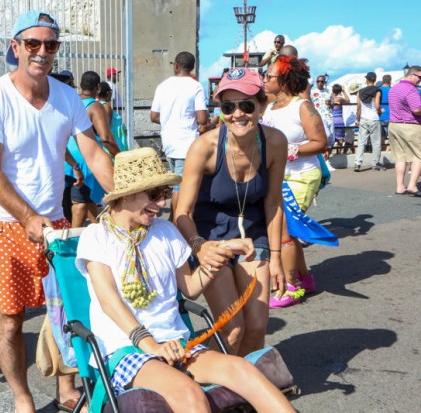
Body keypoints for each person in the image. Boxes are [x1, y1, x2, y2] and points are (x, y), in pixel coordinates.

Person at [0, 11, 114, 413]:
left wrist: (123, 197)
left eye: (51, 44)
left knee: (69, 311)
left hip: (55, 223)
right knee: (9, 319)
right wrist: (27, 217)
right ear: (15, 47)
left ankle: (66, 386)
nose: (42, 51)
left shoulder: (66, 97)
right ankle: (22, 396)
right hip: (2, 225)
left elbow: (93, 153)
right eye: (33, 43)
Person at [76, 147, 295, 413]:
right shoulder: (96, 236)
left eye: (165, 194)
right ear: (127, 195)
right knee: (189, 393)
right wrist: (150, 344)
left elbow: (190, 287)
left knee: (243, 370)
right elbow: (109, 301)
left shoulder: (165, 231)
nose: (162, 204)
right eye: (154, 194)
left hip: (178, 344)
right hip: (126, 349)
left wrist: (221, 253)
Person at [175, 67, 287, 354]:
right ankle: (206, 375)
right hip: (211, 238)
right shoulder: (205, 147)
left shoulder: (275, 142)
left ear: (261, 105)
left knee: (257, 326)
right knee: (232, 329)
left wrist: (276, 257)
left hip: (254, 236)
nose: (237, 114)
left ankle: (246, 379)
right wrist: (199, 247)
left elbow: (273, 203)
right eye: (228, 107)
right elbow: (181, 212)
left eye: (246, 105)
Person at [262, 55, 328, 307]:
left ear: (284, 80)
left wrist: (293, 150)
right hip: (277, 176)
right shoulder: (269, 107)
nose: (265, 79)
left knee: (283, 230)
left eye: (269, 76)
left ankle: (291, 287)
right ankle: (305, 278)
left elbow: (321, 142)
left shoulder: (302, 106)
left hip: (301, 176)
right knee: (291, 229)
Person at [150, 51, 209, 219]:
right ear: (192, 67)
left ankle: (175, 220)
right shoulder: (195, 86)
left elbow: (154, 116)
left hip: (169, 143)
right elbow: (202, 119)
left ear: (176, 65)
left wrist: (170, 120)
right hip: (186, 144)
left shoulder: (163, 86)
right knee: (181, 187)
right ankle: (176, 221)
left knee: (176, 183)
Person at [65, 70, 120, 228]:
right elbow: (106, 138)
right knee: (80, 204)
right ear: (97, 87)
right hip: (85, 159)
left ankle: (96, 229)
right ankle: (73, 239)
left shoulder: (71, 102)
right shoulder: (95, 107)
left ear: (80, 85)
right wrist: (120, 156)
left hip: (66, 157)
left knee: (84, 200)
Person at [388, 65, 421, 196]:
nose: (420, 80)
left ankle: (400, 186)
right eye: (419, 77)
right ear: (411, 75)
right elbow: (416, 109)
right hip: (410, 125)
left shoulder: (394, 88)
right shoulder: (411, 90)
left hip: (394, 124)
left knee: (400, 157)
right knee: (419, 156)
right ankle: (412, 185)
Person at [355, 72, 384, 171]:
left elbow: (358, 107)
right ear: (374, 80)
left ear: (367, 79)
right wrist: (380, 111)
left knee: (361, 142)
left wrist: (358, 119)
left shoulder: (360, 92)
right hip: (374, 118)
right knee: (376, 142)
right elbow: (377, 106)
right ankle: (376, 163)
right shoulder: (377, 91)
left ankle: (357, 163)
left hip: (363, 118)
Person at [98, 80, 128, 151]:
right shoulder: (106, 106)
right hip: (114, 144)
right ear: (108, 93)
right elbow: (107, 128)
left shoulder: (98, 105)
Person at [331, 84, 350, 153]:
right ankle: (338, 154)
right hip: (339, 120)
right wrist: (344, 91)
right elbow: (348, 101)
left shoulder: (330, 98)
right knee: (340, 140)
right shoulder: (339, 99)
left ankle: (328, 155)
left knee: (331, 140)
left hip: (331, 119)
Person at [379, 74, 392, 144]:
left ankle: (382, 148)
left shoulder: (378, 90)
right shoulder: (391, 90)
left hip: (380, 115)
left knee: (381, 136)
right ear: (390, 81)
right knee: (391, 136)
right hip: (390, 115)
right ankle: (388, 149)